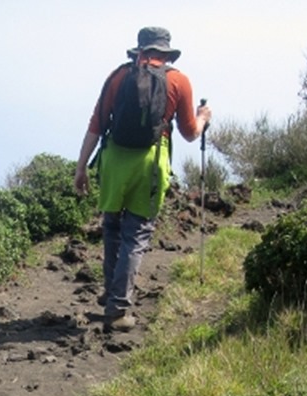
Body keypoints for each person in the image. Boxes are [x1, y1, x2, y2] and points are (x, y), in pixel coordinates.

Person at [74, 26, 211, 331]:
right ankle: (118, 310)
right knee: (135, 234)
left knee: (111, 227)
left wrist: (81, 167)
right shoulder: (178, 80)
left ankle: (111, 294)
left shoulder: (118, 77)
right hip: (150, 164)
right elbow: (190, 133)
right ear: (165, 53)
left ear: (139, 51)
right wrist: (203, 118)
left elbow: (97, 124)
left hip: (114, 161)